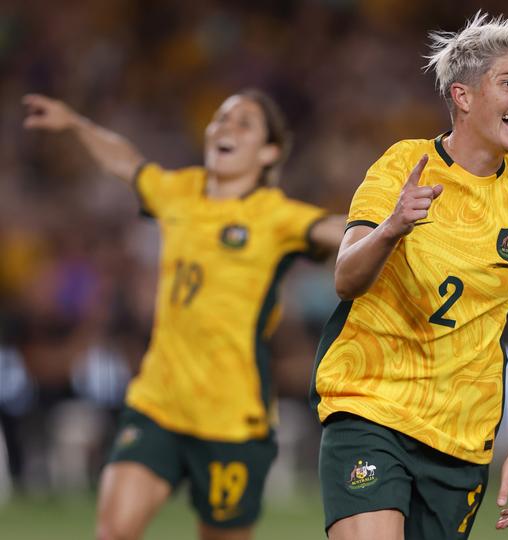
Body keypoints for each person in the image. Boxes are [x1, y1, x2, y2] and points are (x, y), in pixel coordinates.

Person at [22, 89, 345, 540]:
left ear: (269, 151)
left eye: (244, 122)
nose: (226, 127)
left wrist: (394, 225)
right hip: (159, 403)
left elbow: (340, 229)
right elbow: (126, 163)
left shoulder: (275, 216)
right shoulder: (179, 191)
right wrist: (76, 124)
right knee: (112, 532)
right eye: (221, 118)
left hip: (233, 418)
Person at [309, 12, 508, 539]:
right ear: (463, 96)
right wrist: (391, 228)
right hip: (372, 407)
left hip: (462, 439)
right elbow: (346, 279)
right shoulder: (405, 164)